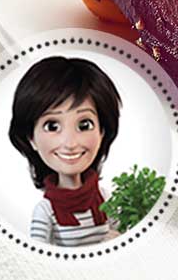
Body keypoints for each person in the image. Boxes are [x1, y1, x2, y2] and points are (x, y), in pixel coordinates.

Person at [8, 56, 122, 246]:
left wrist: (118, 240)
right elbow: (38, 260)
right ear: (31, 139)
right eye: (52, 126)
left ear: (102, 131)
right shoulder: (45, 211)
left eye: (84, 124)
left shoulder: (105, 198)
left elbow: (126, 237)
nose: (70, 143)